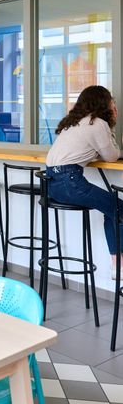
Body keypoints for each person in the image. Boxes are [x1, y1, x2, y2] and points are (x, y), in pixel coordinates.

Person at [46, 85, 122, 279]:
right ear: (103, 103)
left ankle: (118, 265)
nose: (114, 105)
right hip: (70, 182)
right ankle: (118, 265)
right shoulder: (98, 123)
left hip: (51, 183)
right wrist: (112, 125)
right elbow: (111, 156)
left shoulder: (74, 122)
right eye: (111, 102)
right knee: (118, 208)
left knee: (112, 208)